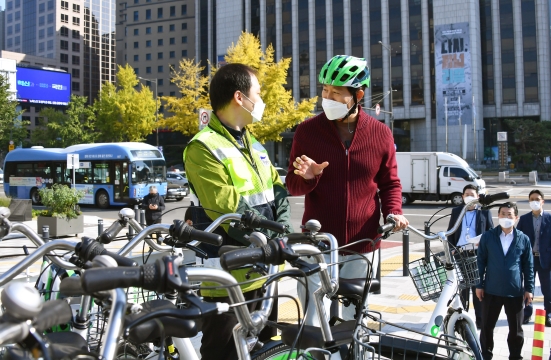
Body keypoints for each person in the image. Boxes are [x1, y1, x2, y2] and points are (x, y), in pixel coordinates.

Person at [286, 55, 409, 323]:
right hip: (317, 245)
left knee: (354, 324)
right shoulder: (307, 131)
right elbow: (292, 186)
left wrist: (394, 212)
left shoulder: (381, 133)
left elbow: (390, 183)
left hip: (362, 245)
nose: (326, 97)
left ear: (358, 95)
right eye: (325, 90)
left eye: (336, 92)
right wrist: (307, 177)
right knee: (312, 322)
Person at [183, 63, 293, 360]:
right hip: (229, 282)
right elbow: (228, 206)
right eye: (258, 92)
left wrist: (283, 233)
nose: (261, 99)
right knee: (225, 353)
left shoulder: (254, 143)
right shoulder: (202, 147)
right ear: (239, 97)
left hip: (266, 272)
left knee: (269, 353)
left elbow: (277, 188)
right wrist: (271, 241)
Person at [476, 202, 534, 360]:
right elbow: (480, 262)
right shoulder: (488, 236)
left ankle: (515, 356)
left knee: (516, 330)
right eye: (503, 214)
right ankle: (486, 355)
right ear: (498, 216)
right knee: (487, 327)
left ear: (516, 218)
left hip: (514, 292)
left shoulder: (523, 239)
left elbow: (529, 266)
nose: (506, 217)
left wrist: (529, 289)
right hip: (491, 290)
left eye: (510, 214)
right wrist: (478, 285)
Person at [446, 184, 494, 329]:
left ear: (477, 197)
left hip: (476, 254)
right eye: (466, 194)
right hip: (460, 253)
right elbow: (450, 232)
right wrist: (451, 250)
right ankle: (463, 317)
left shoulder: (484, 212)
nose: (469, 197)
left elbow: (491, 232)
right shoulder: (457, 211)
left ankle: (480, 319)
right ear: (462, 196)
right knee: (463, 287)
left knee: (477, 287)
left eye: (472, 194)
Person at [517, 189, 551, 326]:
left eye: (537, 199)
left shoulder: (549, 219)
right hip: (529, 259)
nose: (534, 202)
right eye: (532, 199)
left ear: (542, 201)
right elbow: (518, 240)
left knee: (547, 289)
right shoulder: (524, 219)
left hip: (545, 259)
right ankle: (527, 313)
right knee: (528, 287)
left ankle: (548, 314)